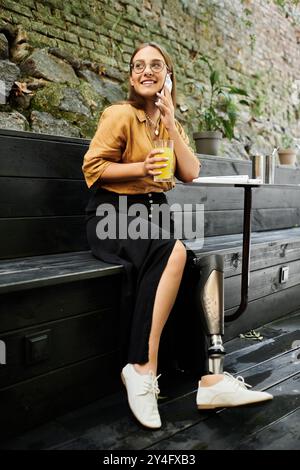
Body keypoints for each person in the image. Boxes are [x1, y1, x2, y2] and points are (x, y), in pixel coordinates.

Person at [82, 42, 273, 430]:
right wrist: (139, 168)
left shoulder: (169, 124)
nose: (146, 71)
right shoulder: (121, 114)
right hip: (112, 213)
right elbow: (93, 167)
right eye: (139, 65)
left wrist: (170, 121)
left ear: (168, 75)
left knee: (204, 264)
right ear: (132, 76)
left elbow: (189, 171)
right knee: (172, 250)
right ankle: (141, 368)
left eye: (156, 65)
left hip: (155, 215)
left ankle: (212, 378)